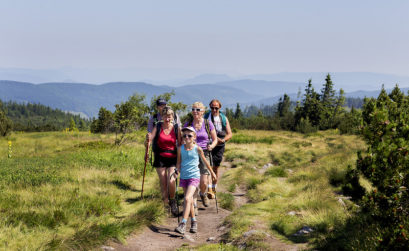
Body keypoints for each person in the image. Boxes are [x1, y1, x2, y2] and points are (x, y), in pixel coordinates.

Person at [175, 126, 217, 234]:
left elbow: (205, 162)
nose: (187, 137)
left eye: (189, 135)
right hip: (184, 177)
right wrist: (176, 171)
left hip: (194, 177)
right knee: (188, 200)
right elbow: (178, 163)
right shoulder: (180, 148)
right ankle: (194, 222)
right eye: (184, 135)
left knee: (188, 198)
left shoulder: (197, 148)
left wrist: (212, 173)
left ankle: (183, 223)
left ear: (194, 137)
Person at [146, 106, 181, 216]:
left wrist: (182, 159)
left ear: (172, 117)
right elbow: (150, 139)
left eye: (169, 116)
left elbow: (180, 144)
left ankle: (172, 200)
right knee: (163, 181)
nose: (167, 119)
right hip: (160, 157)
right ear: (162, 117)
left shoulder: (176, 128)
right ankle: (165, 202)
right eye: (165, 116)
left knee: (171, 180)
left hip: (172, 157)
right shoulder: (158, 126)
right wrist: (147, 143)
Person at [184, 102, 218, 209]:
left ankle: (203, 194)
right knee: (193, 179)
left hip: (205, 153)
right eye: (193, 109)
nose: (195, 112)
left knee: (203, 181)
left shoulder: (208, 124)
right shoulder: (188, 124)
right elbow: (182, 138)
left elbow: (215, 139)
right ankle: (193, 206)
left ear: (203, 112)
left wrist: (212, 146)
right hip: (191, 153)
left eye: (198, 110)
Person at [204, 99, 232, 199]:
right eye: (212, 107)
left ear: (220, 108)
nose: (214, 110)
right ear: (210, 107)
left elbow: (230, 134)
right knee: (207, 167)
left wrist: (223, 140)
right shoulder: (206, 117)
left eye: (216, 108)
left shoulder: (224, 118)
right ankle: (209, 189)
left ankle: (214, 188)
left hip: (219, 146)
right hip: (208, 144)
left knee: (215, 167)